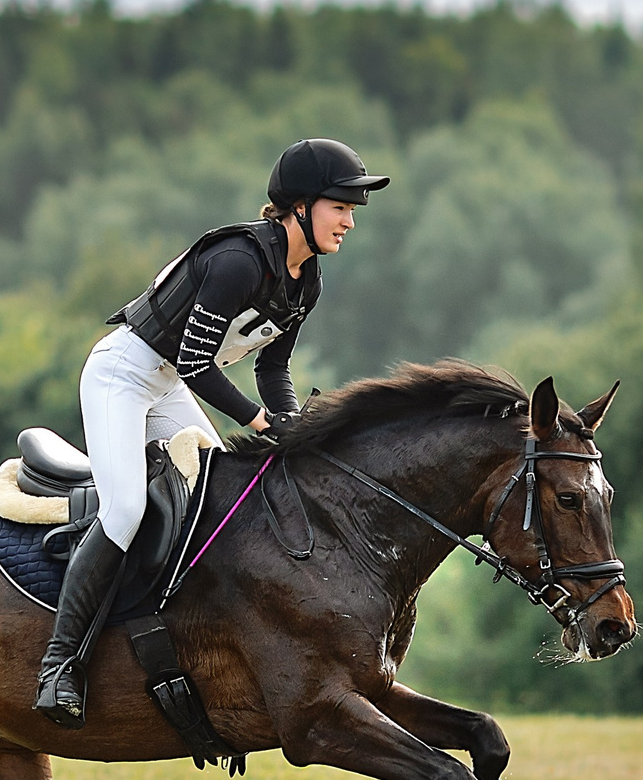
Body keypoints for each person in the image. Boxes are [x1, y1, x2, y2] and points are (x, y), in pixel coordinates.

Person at [33, 137, 389, 726]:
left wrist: (291, 428)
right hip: (123, 374)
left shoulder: (306, 280)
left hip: (169, 383)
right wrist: (257, 422)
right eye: (340, 207)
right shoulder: (240, 261)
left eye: (352, 210)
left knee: (219, 505)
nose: (350, 221)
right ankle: (59, 664)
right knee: (123, 510)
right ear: (300, 206)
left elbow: (273, 368)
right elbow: (199, 363)